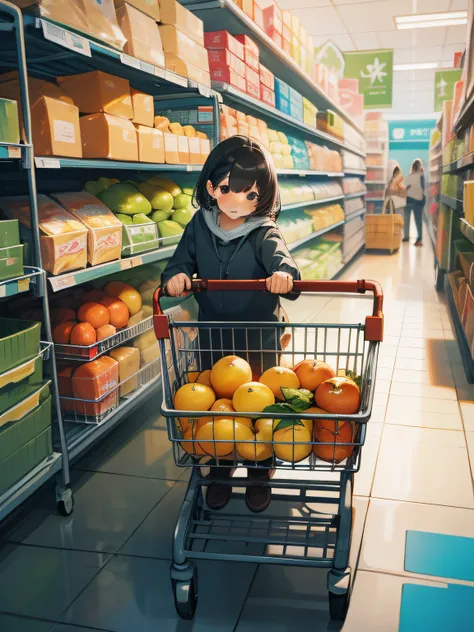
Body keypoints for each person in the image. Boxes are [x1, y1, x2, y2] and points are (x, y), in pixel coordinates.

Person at [161, 135, 301, 513]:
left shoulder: (263, 231)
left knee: (258, 403)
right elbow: (179, 262)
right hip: (214, 333)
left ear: (263, 197)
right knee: (219, 403)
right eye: (229, 189)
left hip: (259, 335)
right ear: (211, 186)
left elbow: (282, 261)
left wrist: (283, 275)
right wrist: (175, 276)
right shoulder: (199, 226)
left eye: (251, 194)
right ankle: (222, 467)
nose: (239, 201)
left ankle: (259, 469)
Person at [404, 158, 425, 246]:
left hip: (409, 200)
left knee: (406, 219)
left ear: (412, 167)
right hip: (418, 202)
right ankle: (419, 239)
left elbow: (407, 188)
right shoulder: (421, 176)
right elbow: (422, 188)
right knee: (418, 221)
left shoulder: (411, 176)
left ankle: (406, 237)